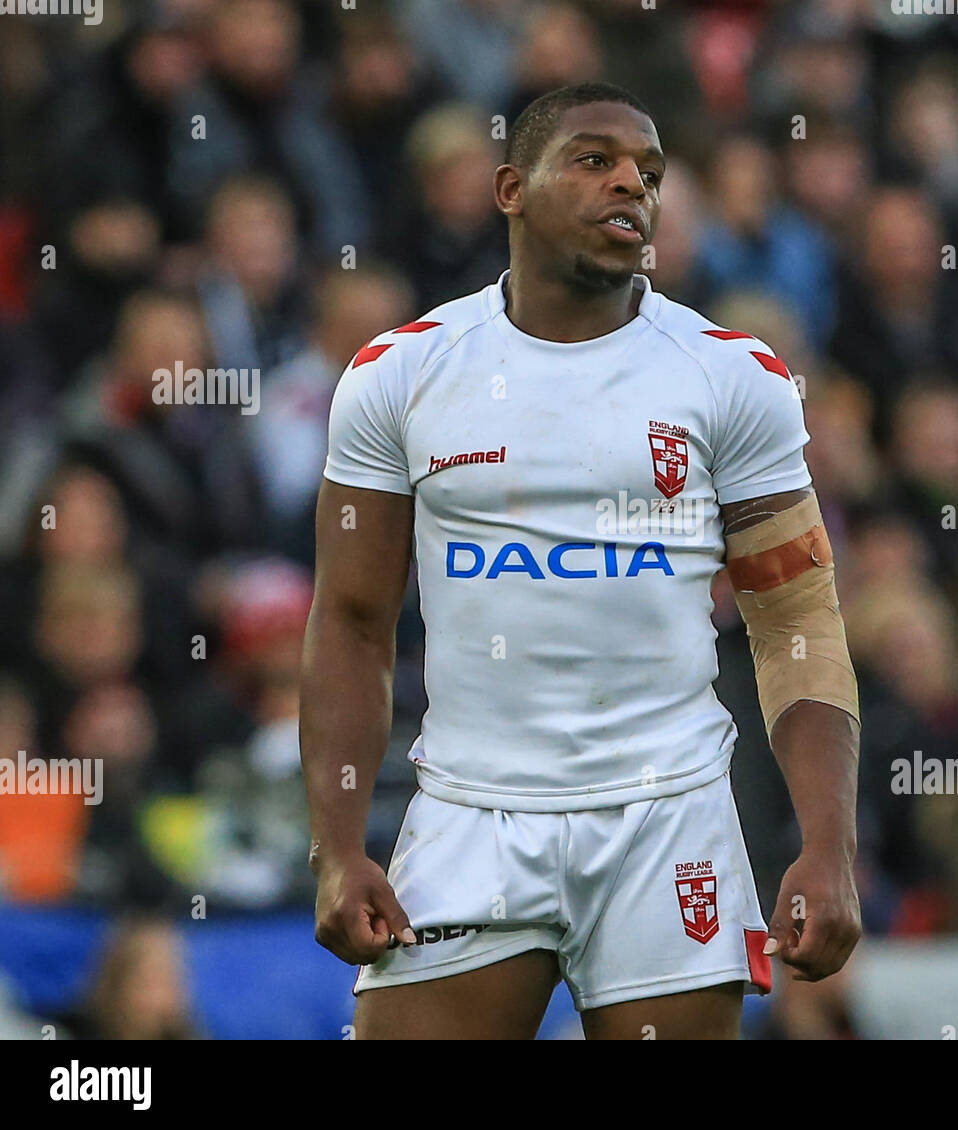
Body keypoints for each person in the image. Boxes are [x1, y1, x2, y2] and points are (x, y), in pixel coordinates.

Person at [301, 82, 862, 1040]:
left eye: (649, 173)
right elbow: (352, 621)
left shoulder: (733, 376)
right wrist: (336, 847)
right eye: (594, 160)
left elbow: (796, 620)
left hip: (669, 815)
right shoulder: (401, 372)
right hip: (473, 812)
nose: (630, 188)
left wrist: (829, 844)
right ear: (510, 188)